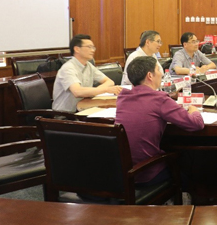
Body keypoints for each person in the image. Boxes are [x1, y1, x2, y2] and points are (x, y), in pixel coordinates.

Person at [115, 56, 204, 185]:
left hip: (122, 174)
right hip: (147, 173)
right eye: (158, 69)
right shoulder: (159, 99)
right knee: (188, 166)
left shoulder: (122, 97)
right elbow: (197, 124)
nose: (161, 74)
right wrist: (194, 110)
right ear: (150, 75)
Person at [52, 34, 122, 113]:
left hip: (82, 107)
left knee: (115, 104)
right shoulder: (68, 68)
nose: (93, 50)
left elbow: (109, 82)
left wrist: (98, 91)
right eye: (89, 47)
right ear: (77, 49)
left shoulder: (88, 65)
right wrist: (104, 90)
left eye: (93, 47)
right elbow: (77, 92)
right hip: (66, 114)